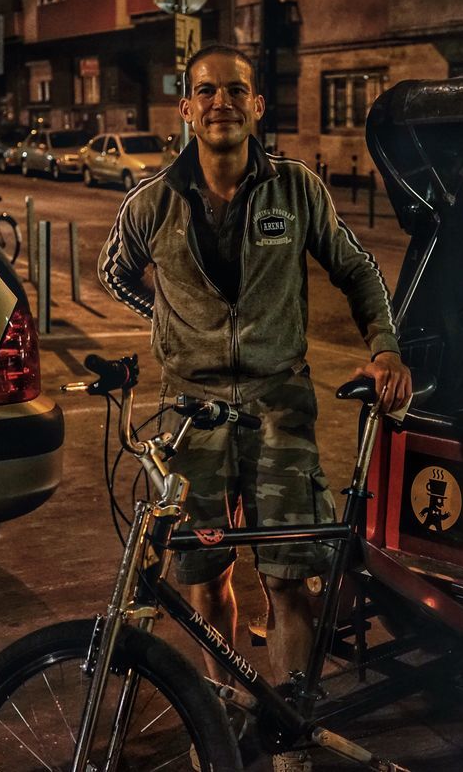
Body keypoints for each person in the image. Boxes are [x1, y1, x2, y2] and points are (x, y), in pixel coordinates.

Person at [98, 44, 410, 770]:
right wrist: (170, 318)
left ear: (257, 105)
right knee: (205, 584)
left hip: (279, 409)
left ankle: (292, 731)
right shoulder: (152, 201)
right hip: (190, 415)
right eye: (205, 91)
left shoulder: (296, 190)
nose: (220, 103)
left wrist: (386, 346)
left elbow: (356, 267)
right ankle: (233, 709)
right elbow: (116, 273)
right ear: (186, 107)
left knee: (287, 578)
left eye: (235, 90)